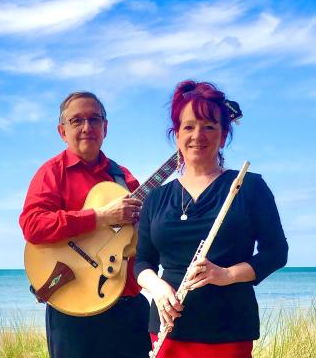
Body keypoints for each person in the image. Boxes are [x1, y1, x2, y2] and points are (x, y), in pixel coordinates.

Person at [134, 80, 289, 358]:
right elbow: (142, 261)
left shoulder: (249, 187)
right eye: (189, 126)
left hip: (228, 329)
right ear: (176, 133)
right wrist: (157, 288)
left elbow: (276, 253)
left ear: (223, 133)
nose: (198, 135)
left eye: (209, 126)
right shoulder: (157, 198)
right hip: (168, 328)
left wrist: (226, 274)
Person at [19, 91, 151, 358]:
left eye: (94, 119)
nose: (86, 127)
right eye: (76, 120)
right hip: (73, 305)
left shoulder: (124, 177)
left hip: (127, 303)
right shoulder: (51, 172)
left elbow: (146, 236)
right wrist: (99, 217)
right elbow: (33, 226)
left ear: (105, 128)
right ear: (62, 131)